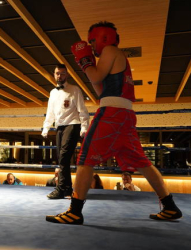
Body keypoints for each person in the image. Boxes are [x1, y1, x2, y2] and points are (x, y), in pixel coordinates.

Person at [46, 21, 182, 224]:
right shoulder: (115, 58)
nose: (91, 45)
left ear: (104, 37)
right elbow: (101, 89)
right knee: (142, 163)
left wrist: (85, 62)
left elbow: (96, 75)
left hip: (112, 115)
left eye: (92, 41)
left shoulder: (110, 50)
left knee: (85, 158)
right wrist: (89, 65)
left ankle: (74, 211)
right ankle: (170, 206)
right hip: (124, 114)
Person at [42, 64, 90, 199]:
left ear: (67, 75)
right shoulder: (52, 92)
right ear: (54, 74)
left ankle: (61, 189)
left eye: (62, 73)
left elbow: (83, 110)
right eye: (57, 73)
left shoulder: (75, 90)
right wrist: (46, 127)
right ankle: (67, 190)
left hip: (73, 125)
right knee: (62, 159)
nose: (60, 76)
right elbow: (50, 113)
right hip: (60, 127)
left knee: (63, 157)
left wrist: (84, 127)